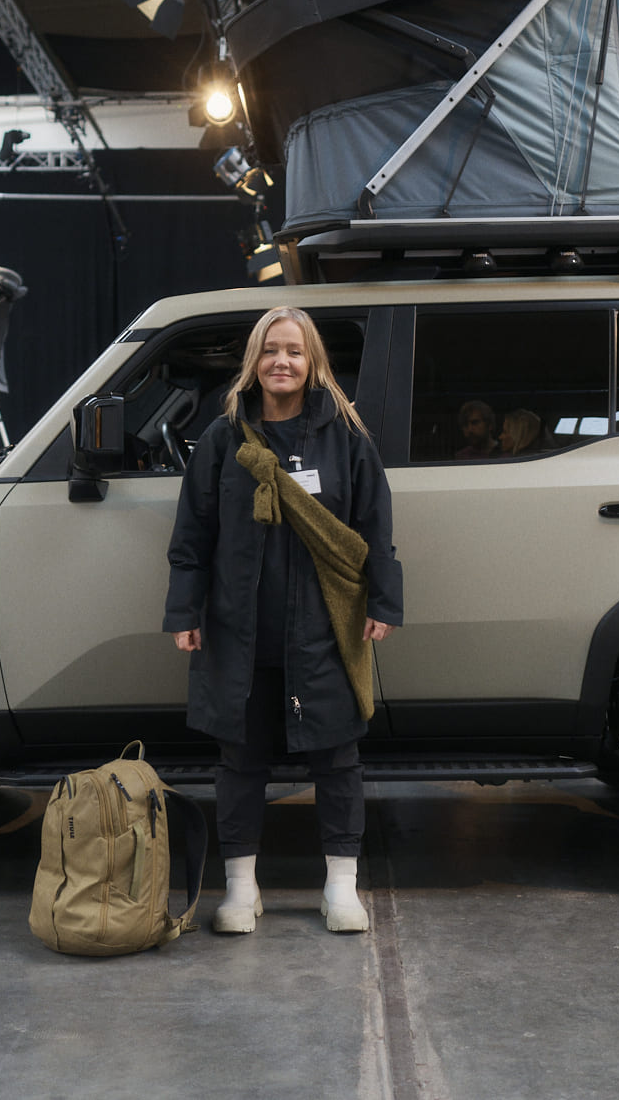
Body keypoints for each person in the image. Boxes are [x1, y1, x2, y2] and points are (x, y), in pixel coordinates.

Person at [164, 306, 402, 935]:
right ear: (254, 361)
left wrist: (383, 601)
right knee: (239, 762)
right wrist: (185, 610)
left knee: (338, 760)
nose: (282, 362)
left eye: (294, 351)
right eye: (271, 350)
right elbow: (193, 536)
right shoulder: (223, 440)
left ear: (312, 361)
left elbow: (374, 525)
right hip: (238, 631)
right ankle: (241, 892)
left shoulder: (345, 438)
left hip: (324, 631)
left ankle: (340, 890)